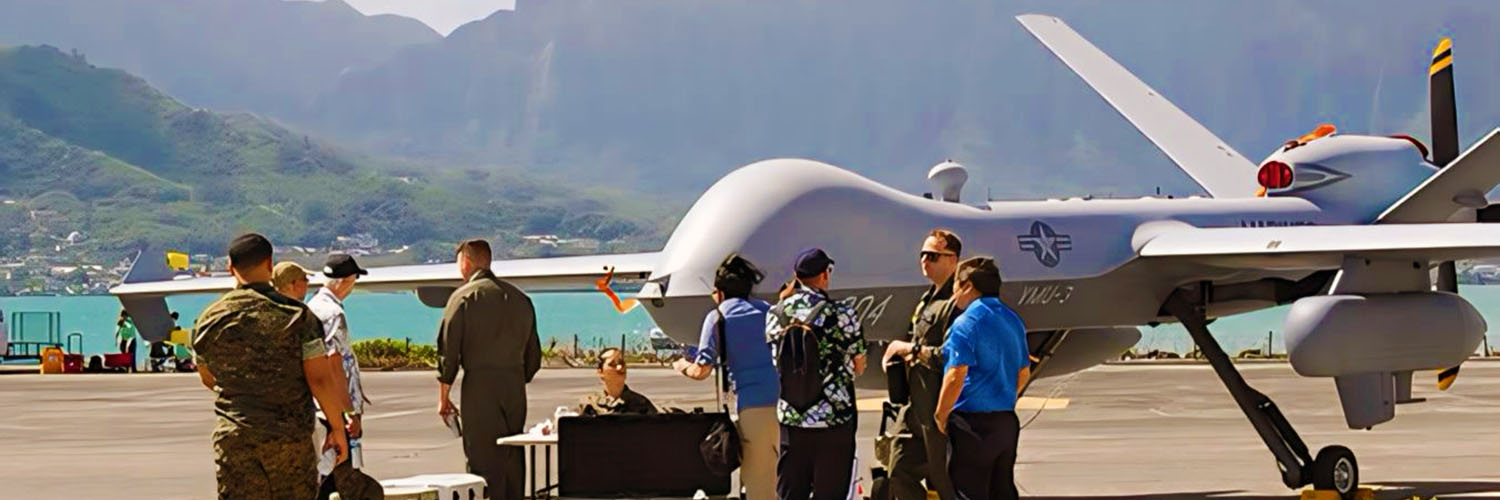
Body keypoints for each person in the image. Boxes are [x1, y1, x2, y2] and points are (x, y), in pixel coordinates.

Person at [191, 233, 351, 499]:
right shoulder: (297, 316)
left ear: (231, 267)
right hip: (288, 439)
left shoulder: (209, 318)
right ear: (269, 264)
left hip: (235, 436)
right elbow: (320, 380)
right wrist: (337, 428)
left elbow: (208, 377)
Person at [436, 239, 542, 500]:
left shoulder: (463, 297)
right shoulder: (521, 299)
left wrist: (444, 396)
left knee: (481, 457)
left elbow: (448, 353)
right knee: (512, 455)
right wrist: (515, 378)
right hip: (514, 386)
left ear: (466, 262)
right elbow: (534, 357)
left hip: (480, 386)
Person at [673, 254, 780, 500]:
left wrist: (682, 366)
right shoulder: (768, 310)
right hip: (786, 399)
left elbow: (702, 370)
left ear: (719, 291)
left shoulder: (718, 317)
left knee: (759, 482)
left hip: (754, 403)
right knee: (778, 474)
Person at [768, 248, 867, 500]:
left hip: (792, 417)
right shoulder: (842, 313)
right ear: (825, 274)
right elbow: (859, 363)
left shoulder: (775, 314)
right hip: (834, 420)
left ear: (797, 277)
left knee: (791, 492)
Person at [933, 257, 1030, 500]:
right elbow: (1023, 372)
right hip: (1005, 421)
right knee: (1003, 490)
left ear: (967, 286)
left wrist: (941, 414)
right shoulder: (1013, 320)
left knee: (968, 490)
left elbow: (956, 374)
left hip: (972, 424)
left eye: (955, 284)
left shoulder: (965, 323)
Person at [880, 229, 963, 500]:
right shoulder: (927, 299)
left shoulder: (954, 304)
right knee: (900, 471)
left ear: (953, 260)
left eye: (933, 256)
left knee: (945, 479)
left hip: (939, 407)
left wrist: (909, 349)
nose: (925, 260)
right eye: (923, 255)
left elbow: (950, 356)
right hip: (916, 406)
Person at [580, 347, 658, 415]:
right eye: (612, 364)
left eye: (621, 363)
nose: (619, 367)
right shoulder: (590, 404)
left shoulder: (641, 404)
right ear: (600, 372)